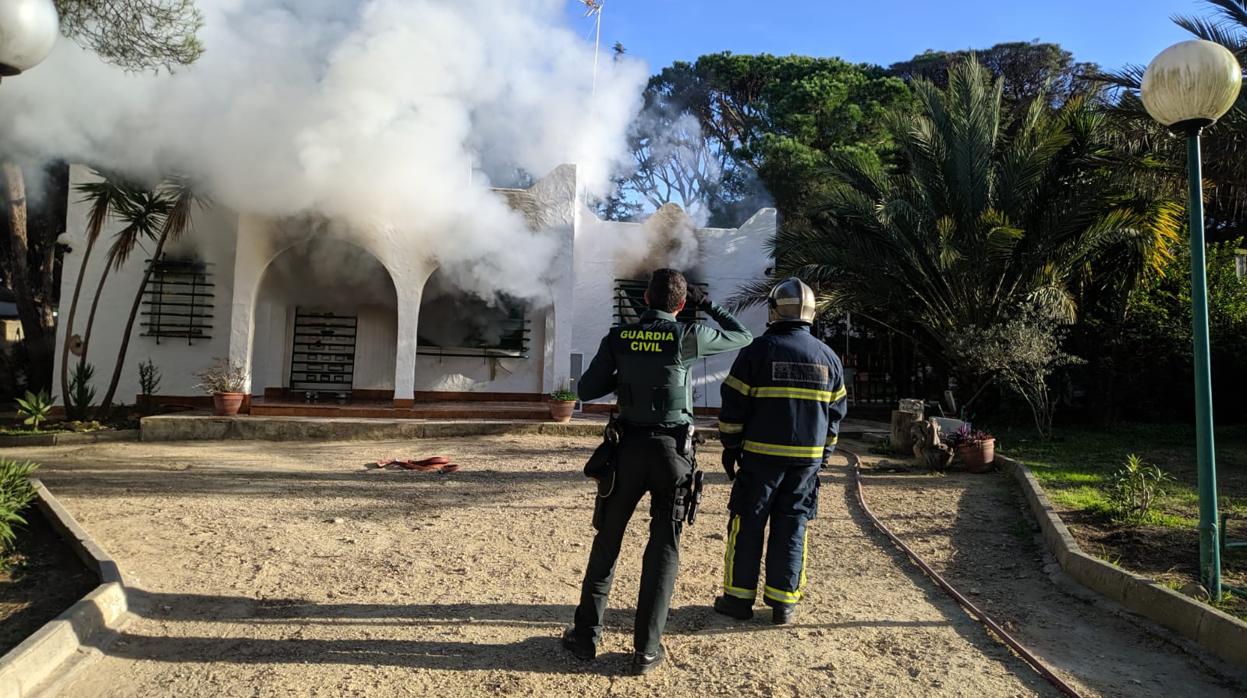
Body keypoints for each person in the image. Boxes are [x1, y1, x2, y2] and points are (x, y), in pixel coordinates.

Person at [563, 268, 752, 674]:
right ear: (682, 305)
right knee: (663, 549)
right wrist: (710, 306)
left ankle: (585, 638)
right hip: (673, 456)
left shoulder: (618, 337)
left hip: (625, 453)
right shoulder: (689, 335)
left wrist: (628, 371)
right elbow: (743, 336)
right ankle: (646, 650)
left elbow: (586, 390)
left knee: (607, 543)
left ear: (644, 300)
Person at [713, 277, 847, 625]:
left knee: (748, 524)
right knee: (793, 525)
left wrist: (730, 446)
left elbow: (733, 405)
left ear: (773, 311)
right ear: (811, 313)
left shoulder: (757, 352)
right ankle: (783, 604)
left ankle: (738, 600)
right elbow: (835, 417)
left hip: (759, 461)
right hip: (806, 465)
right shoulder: (829, 359)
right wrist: (824, 457)